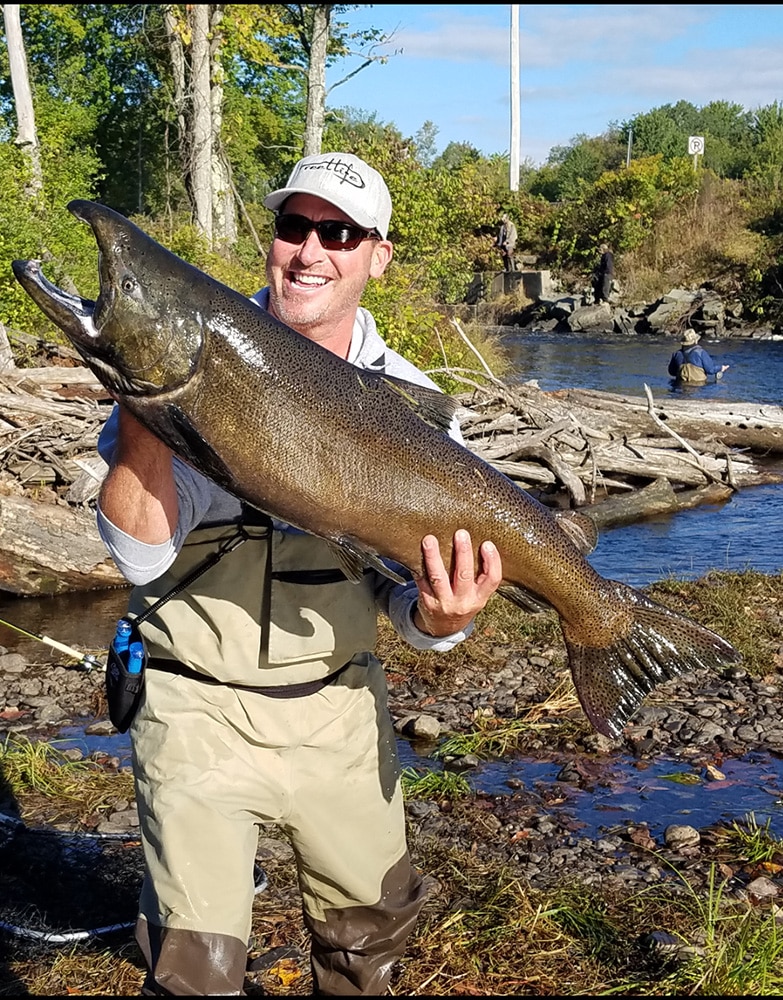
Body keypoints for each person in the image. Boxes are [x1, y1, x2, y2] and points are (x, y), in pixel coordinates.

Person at [95, 151, 504, 997]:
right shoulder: (196, 352)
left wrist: (443, 616)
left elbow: (414, 609)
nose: (310, 250)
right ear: (273, 240)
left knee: (366, 945)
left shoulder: (413, 402)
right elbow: (138, 555)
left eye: (340, 233)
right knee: (192, 972)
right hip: (193, 705)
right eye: (294, 226)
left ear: (377, 256)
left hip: (339, 710)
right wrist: (147, 403)